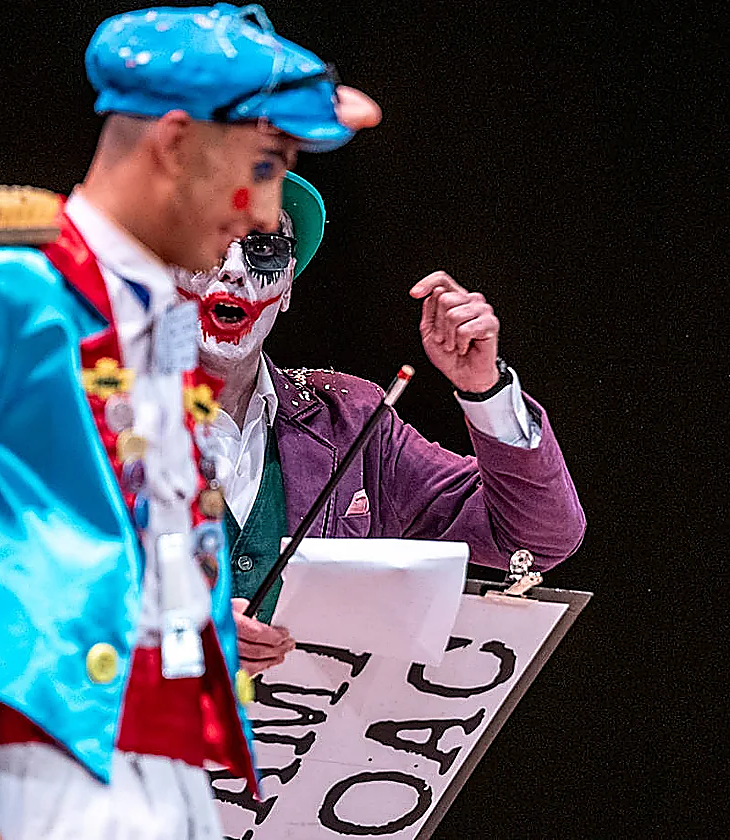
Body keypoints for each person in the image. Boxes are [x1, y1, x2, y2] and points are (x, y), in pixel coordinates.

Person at [0, 5, 381, 839]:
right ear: (175, 143)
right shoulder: (1, 290)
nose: (263, 214)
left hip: (180, 794)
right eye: (264, 166)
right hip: (25, 781)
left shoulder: (166, 342)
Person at [174, 170, 587, 673]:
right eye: (208, 240)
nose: (234, 270)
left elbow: (535, 539)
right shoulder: (99, 420)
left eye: (264, 249)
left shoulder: (348, 420)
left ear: (286, 288)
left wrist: (486, 390)